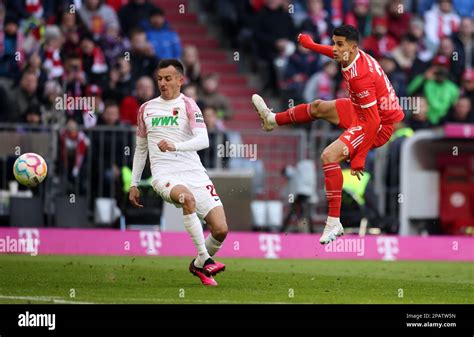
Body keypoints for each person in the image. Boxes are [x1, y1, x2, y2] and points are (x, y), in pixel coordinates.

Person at [252, 25, 405, 245]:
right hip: (363, 111)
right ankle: (272, 120)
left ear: (352, 48)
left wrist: (360, 157)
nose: (334, 48)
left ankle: (334, 221)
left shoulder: (360, 76)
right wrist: (310, 45)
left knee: (328, 156)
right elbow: (333, 53)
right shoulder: (352, 55)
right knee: (318, 107)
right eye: (334, 42)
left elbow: (372, 121)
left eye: (338, 44)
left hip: (377, 125)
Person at [129, 59, 228, 286]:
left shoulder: (189, 105)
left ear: (180, 80)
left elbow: (203, 140)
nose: (162, 83)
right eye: (160, 79)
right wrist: (134, 183)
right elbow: (141, 148)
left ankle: (198, 266)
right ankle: (205, 258)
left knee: (221, 230)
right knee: (187, 199)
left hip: (194, 172)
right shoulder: (146, 109)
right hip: (165, 175)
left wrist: (176, 146)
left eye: (168, 78)